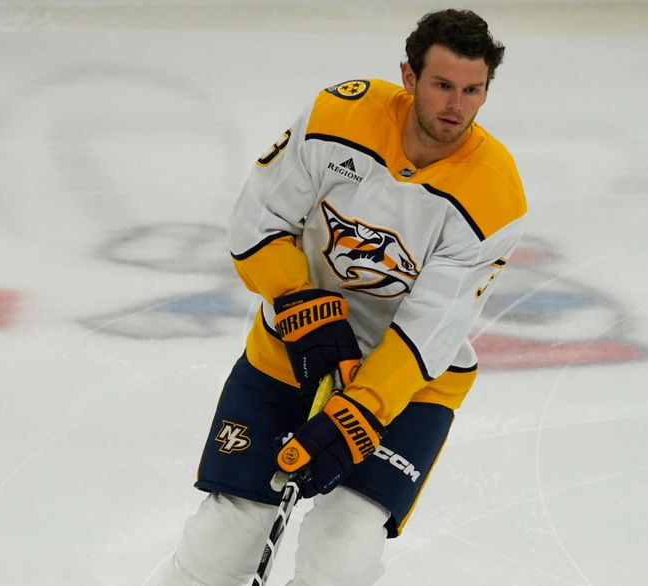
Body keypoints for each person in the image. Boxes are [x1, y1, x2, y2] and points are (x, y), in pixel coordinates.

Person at [158, 8, 527, 586]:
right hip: (290, 349)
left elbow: (435, 326)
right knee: (224, 539)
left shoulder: (493, 193)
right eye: (442, 85)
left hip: (407, 384)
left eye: (472, 90)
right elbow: (258, 219)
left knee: (344, 547)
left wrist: (363, 407)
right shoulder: (340, 116)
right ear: (409, 77)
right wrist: (299, 302)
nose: (456, 106)